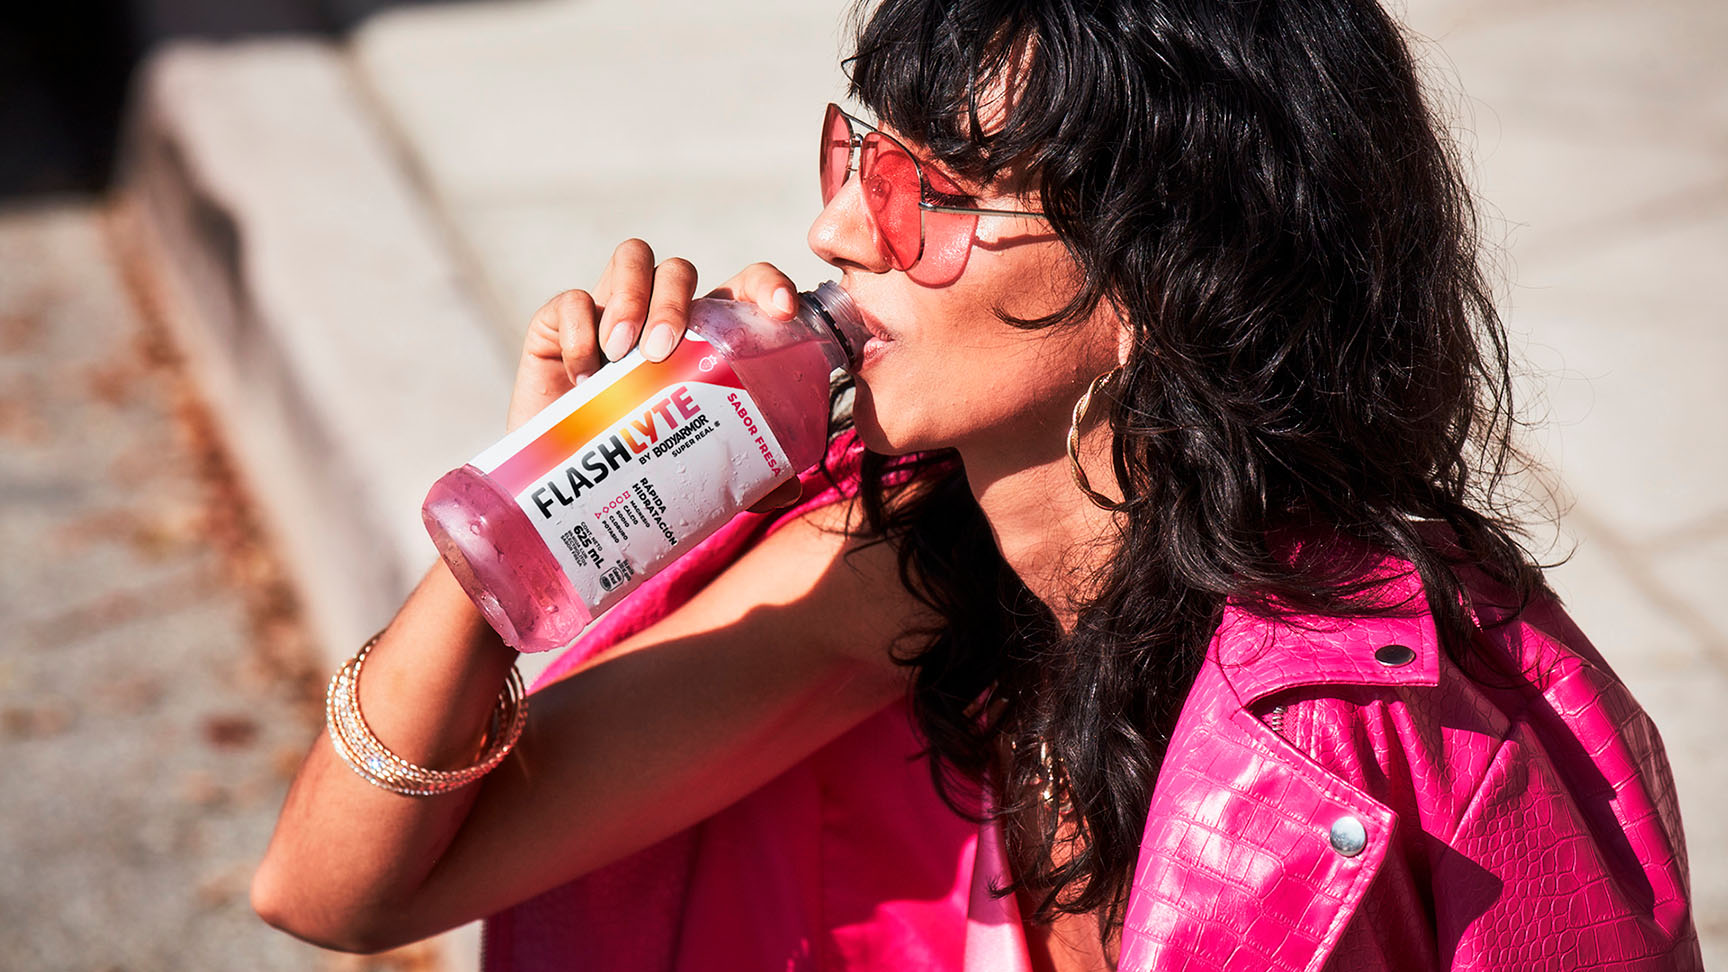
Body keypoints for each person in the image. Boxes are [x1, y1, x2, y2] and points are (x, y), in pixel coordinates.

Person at [252, 0, 1703, 969]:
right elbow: (335, 894)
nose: (836, 228)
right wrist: (520, 531)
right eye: (855, 154)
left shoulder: (1410, 731)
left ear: (1160, 273)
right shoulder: (885, 571)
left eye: (928, 194)